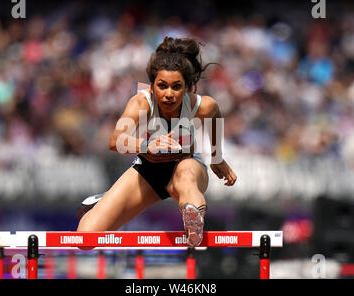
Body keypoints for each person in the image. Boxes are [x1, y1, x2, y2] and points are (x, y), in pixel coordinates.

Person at [76, 36, 237, 248]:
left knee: (186, 175)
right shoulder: (141, 102)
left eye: (176, 87)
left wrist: (216, 158)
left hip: (186, 165)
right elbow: (116, 141)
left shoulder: (202, 106)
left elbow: (214, 113)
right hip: (148, 172)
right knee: (85, 240)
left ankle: (194, 223)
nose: (169, 94)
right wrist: (147, 145)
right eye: (162, 86)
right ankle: (103, 201)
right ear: (152, 86)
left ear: (187, 88)